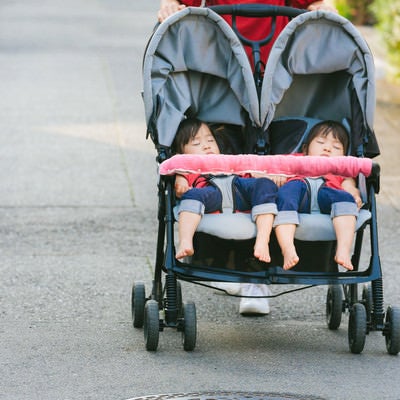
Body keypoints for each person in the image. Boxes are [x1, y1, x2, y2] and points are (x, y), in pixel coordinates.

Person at [173, 118, 278, 263]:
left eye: (210, 140)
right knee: (192, 195)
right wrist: (181, 181)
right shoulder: (185, 165)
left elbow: (250, 173)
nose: (206, 146)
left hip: (238, 189)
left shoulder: (229, 159)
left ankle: (262, 240)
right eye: (196, 143)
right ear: (182, 153)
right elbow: (179, 179)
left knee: (264, 185)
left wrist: (262, 175)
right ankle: (185, 241)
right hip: (211, 193)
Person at [274, 120, 363, 271]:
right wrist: (278, 175)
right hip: (300, 190)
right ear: (305, 148)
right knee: (286, 193)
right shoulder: (296, 159)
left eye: (336, 147)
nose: (328, 148)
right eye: (321, 142)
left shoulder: (341, 169)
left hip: (327, 193)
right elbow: (275, 168)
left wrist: (353, 193)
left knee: (345, 199)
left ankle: (343, 250)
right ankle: (288, 248)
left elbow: (348, 185)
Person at [158, 0, 337, 69]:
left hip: (278, 61)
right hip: (220, 58)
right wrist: (170, 4)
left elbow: (316, 3)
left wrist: (324, 6)